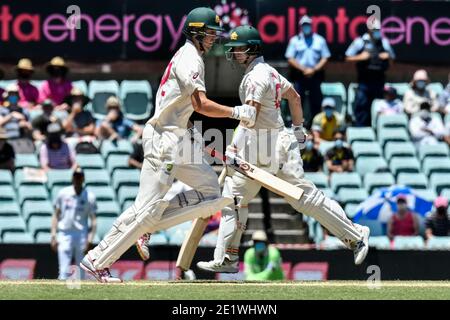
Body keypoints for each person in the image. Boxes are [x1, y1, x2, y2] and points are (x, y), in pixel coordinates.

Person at [80, 7, 256, 283]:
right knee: (147, 211)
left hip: (177, 137)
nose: (213, 39)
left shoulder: (191, 57)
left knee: (212, 194)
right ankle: (98, 260)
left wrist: (197, 140)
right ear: (195, 32)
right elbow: (201, 104)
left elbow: (181, 107)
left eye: (214, 34)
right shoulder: (190, 59)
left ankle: (148, 225)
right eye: (209, 34)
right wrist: (237, 112)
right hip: (164, 140)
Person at [196, 25, 369, 275]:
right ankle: (227, 257)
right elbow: (295, 98)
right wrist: (298, 129)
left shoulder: (256, 77)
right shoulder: (270, 72)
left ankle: (356, 234)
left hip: (270, 146)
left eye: (237, 49)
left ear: (252, 48)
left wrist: (235, 142)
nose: (233, 54)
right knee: (233, 198)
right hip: (264, 143)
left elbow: (250, 116)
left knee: (305, 200)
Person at [345, 19, 395, 127]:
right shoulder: (360, 41)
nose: (376, 31)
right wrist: (361, 57)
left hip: (379, 81)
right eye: (374, 29)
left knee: (379, 107)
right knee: (362, 107)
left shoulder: (384, 42)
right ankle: (361, 132)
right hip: (364, 81)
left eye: (378, 29)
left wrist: (388, 57)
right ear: (369, 29)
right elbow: (347, 57)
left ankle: (378, 131)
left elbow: (392, 60)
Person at [51, 168, 97, 280]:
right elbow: (56, 215)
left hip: (81, 234)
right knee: (63, 268)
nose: (77, 179)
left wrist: (90, 238)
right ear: (72, 178)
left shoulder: (89, 197)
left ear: (83, 178)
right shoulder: (63, 193)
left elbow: (94, 220)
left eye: (80, 176)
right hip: (65, 233)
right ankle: (61, 293)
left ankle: (80, 294)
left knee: (82, 267)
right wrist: (53, 235)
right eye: (76, 176)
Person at [285, 15, 330, 128]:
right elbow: (290, 58)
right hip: (300, 76)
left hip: (315, 76)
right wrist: (304, 69)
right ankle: (297, 125)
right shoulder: (295, 40)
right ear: (301, 26)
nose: (306, 27)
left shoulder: (320, 40)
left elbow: (325, 57)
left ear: (311, 25)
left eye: (308, 25)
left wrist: (313, 69)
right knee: (297, 102)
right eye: (304, 25)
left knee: (316, 102)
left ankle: (315, 126)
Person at [0, 84, 34, 153]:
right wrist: (12, 115)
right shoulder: (2, 110)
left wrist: (24, 123)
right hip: (5, 141)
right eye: (11, 94)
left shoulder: (24, 111)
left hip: (21, 140)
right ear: (7, 96)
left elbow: (30, 128)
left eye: (15, 94)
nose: (13, 96)